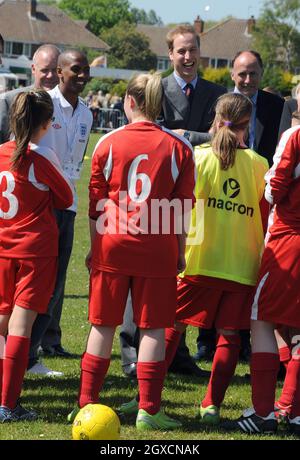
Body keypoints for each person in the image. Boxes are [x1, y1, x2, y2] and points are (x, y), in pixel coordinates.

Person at [119, 92, 268, 423]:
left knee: (168, 329)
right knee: (229, 336)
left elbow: (176, 207)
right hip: (240, 264)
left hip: (196, 259)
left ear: (215, 119)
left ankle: (146, 401)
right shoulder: (259, 165)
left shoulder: (196, 157)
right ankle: (211, 405)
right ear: (246, 125)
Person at [68, 72, 195, 432]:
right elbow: (182, 210)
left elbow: (96, 205)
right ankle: (148, 410)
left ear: (129, 102)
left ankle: (86, 404)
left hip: (112, 241)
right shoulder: (178, 147)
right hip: (157, 242)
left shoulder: (108, 142)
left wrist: (95, 250)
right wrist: (180, 251)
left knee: (102, 323)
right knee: (153, 327)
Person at [120, 24, 226, 378]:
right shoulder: (158, 89)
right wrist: (199, 137)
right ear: (170, 54)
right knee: (144, 273)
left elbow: (218, 136)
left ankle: (175, 354)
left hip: (202, 192)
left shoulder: (215, 91)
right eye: (180, 51)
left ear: (200, 51)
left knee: (177, 277)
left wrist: (186, 135)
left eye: (192, 49)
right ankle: (131, 353)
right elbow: (157, 130)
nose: (187, 56)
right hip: (156, 193)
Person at [0, 90, 73, 422]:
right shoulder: (42, 157)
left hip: (2, 249)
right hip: (34, 253)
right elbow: (66, 196)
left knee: (1, 323)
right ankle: (8, 404)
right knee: (21, 325)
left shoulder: (0, 153)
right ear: (47, 123)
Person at [223, 120, 300, 436]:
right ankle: (294, 412)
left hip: (289, 239)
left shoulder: (295, 135)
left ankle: (264, 412)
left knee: (262, 320)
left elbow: (274, 188)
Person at [27, 49, 93, 376]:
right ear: (61, 71)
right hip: (39, 207)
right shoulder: (41, 105)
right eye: (76, 70)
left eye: (86, 71)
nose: (82, 76)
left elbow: (76, 165)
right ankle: (23, 355)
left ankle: (31, 353)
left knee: (55, 284)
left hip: (68, 207)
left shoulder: (87, 114)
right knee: (33, 285)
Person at [231, 50, 284, 167]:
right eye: (242, 74)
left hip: (263, 178)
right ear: (232, 75)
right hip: (226, 175)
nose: (248, 80)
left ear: (262, 74)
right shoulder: (217, 103)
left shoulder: (278, 105)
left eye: (253, 74)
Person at [0, 44, 60, 144]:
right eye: (45, 70)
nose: (50, 75)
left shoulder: (70, 105)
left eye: (55, 70)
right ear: (33, 69)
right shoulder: (10, 100)